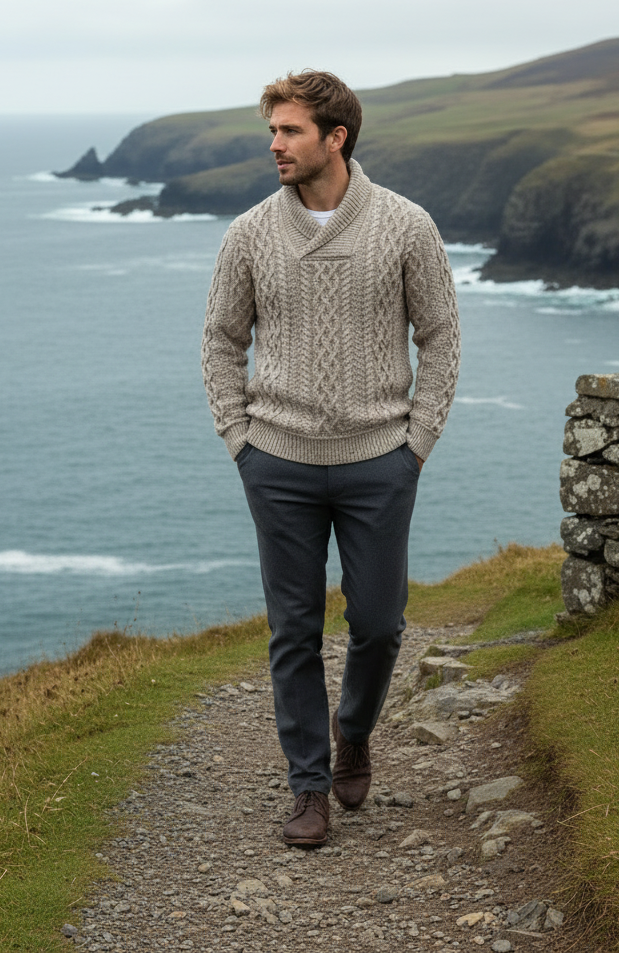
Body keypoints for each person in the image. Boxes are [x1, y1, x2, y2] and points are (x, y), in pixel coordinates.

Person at [201, 70, 460, 846]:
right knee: (294, 630)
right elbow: (221, 339)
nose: (275, 145)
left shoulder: (407, 226)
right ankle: (308, 787)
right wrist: (238, 440)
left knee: (379, 625)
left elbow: (440, 334)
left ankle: (355, 732)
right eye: (272, 131)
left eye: (289, 131)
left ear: (335, 138)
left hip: (381, 458)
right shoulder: (247, 234)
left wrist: (417, 444)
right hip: (275, 459)